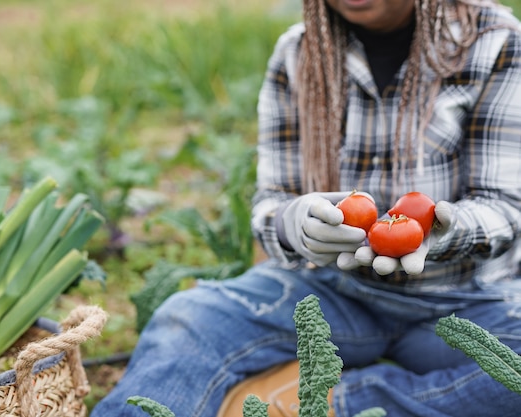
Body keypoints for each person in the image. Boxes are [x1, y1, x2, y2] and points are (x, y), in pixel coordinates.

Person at [91, 0, 521, 414]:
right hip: (330, 292)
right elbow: (273, 197)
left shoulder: (494, 42)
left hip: (465, 301)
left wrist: (453, 232)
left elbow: (503, 206)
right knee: (188, 319)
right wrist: (289, 224)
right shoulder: (298, 51)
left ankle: (315, 402)